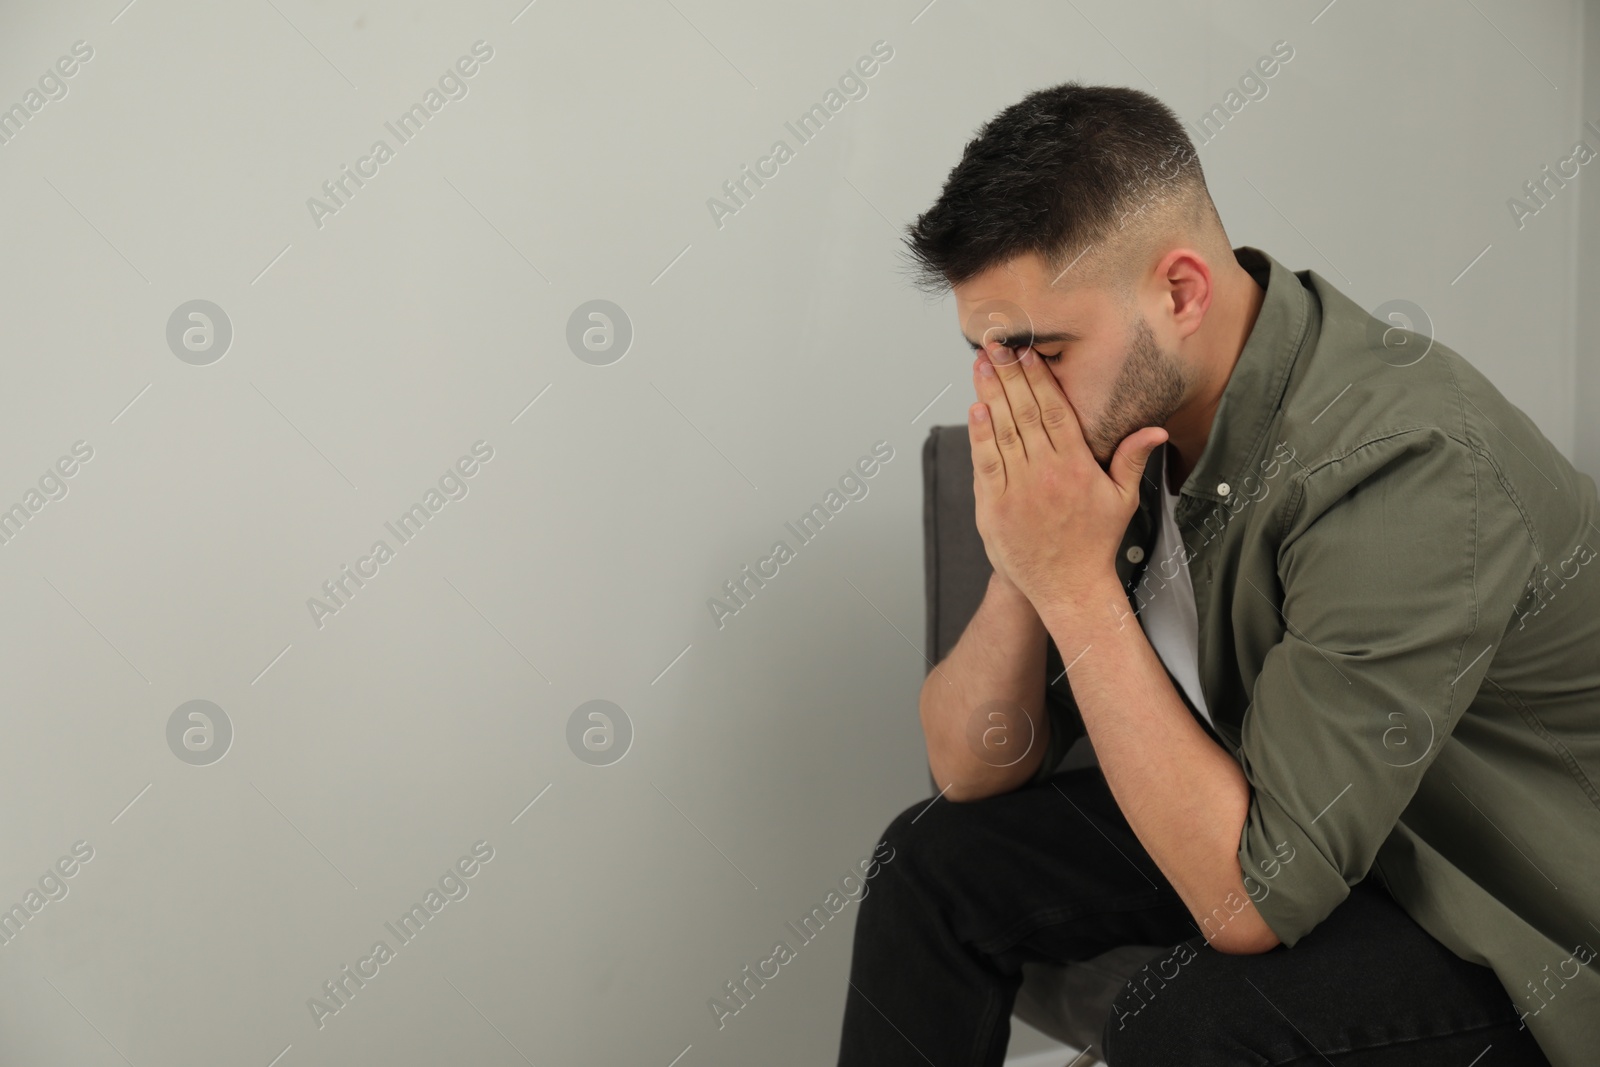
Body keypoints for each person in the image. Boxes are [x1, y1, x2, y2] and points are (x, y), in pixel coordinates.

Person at [835, 82, 1600, 1067]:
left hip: (1507, 906)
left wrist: (1074, 583)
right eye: (987, 353)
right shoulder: (1126, 421)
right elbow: (972, 761)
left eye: (1043, 348)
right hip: (1303, 814)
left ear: (1181, 292)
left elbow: (1254, 897)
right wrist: (1027, 561)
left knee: (1189, 1019)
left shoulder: (1405, 463)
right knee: (929, 867)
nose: (1013, 391)